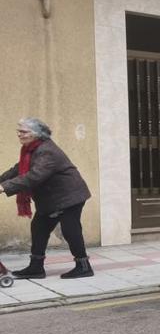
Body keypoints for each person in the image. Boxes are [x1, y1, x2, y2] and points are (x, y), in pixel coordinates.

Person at [1, 117, 93, 279]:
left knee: (71, 231)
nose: (19, 134)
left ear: (36, 134)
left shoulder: (47, 150)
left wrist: (4, 187)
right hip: (51, 199)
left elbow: (34, 176)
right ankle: (36, 268)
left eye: (23, 131)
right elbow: (17, 170)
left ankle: (84, 266)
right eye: (19, 131)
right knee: (39, 229)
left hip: (69, 196)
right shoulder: (31, 150)